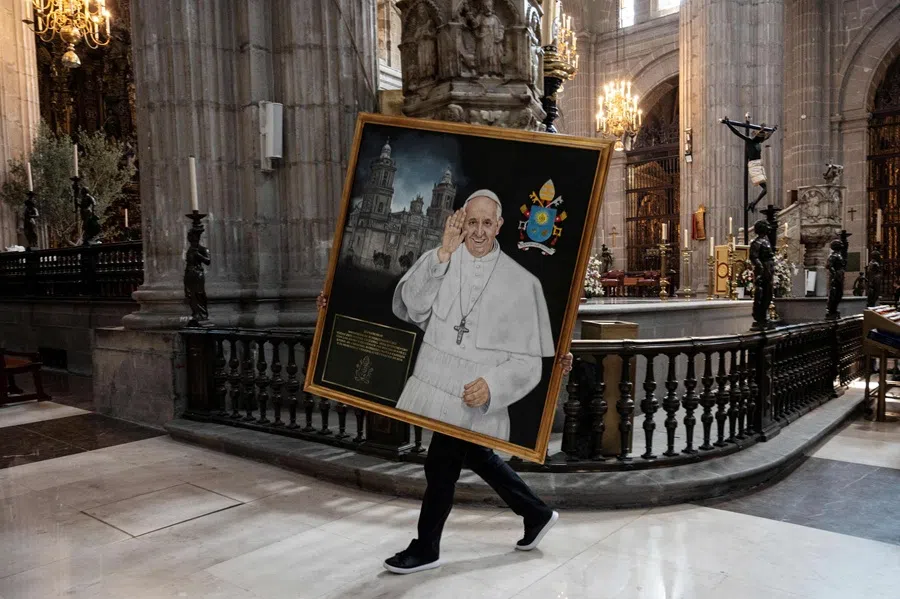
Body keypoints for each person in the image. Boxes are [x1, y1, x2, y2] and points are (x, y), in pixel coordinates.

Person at [389, 190, 554, 442]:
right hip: (425, 396)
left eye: (487, 223)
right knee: (434, 467)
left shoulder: (522, 283)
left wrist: (493, 387)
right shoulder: (439, 258)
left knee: (466, 468)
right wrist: (443, 254)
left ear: (498, 226)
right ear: (462, 222)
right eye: (472, 222)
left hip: (478, 410)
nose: (479, 232)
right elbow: (414, 305)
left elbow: (529, 364)